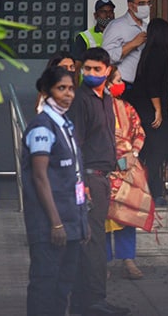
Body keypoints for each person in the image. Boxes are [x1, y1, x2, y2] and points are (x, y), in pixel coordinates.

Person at [21, 66, 88, 316]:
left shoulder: (65, 125)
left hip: (71, 221)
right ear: (45, 91)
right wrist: (56, 223)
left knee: (63, 288)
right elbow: (40, 177)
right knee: (44, 287)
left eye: (71, 88)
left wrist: (82, 221)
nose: (68, 94)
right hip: (50, 224)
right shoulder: (42, 126)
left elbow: (76, 176)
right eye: (61, 88)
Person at [68, 47, 129, 315]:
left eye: (97, 69)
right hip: (89, 178)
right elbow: (75, 145)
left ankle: (88, 301)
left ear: (108, 70)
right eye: (87, 69)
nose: (91, 73)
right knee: (92, 243)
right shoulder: (80, 99)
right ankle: (93, 301)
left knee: (93, 241)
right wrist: (81, 186)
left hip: (102, 177)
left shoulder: (104, 98)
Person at [104, 67, 145, 280]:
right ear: (107, 83)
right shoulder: (95, 108)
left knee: (127, 216)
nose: (122, 84)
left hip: (127, 169)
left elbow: (139, 131)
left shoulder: (127, 107)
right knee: (104, 218)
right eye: (118, 80)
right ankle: (104, 263)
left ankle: (128, 259)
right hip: (104, 169)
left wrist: (134, 152)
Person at [128, 18, 168, 206]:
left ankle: (154, 193)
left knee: (148, 151)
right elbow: (153, 85)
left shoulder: (148, 53)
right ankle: (139, 187)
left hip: (141, 109)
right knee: (159, 151)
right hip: (150, 110)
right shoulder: (158, 54)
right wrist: (159, 110)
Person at [101, 0, 150, 104]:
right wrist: (132, 44)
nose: (146, 7)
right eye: (141, 3)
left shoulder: (147, 27)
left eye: (148, 3)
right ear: (130, 5)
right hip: (122, 85)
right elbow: (106, 57)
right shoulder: (117, 26)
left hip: (142, 87)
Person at [73, 0, 116, 76]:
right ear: (95, 15)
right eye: (103, 12)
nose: (108, 15)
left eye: (110, 12)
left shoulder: (119, 34)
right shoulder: (84, 37)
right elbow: (77, 67)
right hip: (89, 84)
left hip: (113, 84)